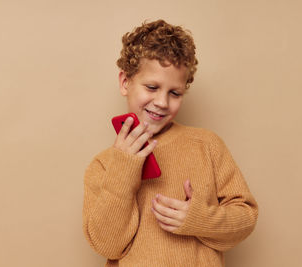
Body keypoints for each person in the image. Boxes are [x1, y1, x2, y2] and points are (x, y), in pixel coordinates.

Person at [82, 19, 258, 267]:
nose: (162, 102)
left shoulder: (206, 145)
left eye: (175, 93)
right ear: (125, 82)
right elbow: (108, 245)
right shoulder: (103, 165)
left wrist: (200, 218)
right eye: (152, 87)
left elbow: (246, 217)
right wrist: (123, 167)